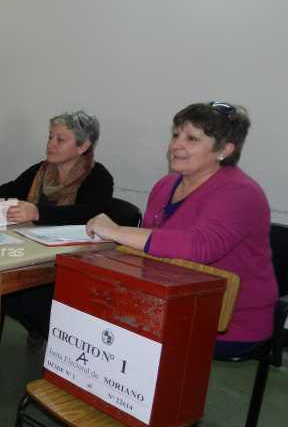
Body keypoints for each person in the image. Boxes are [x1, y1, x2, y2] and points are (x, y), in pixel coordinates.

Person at [87, 102, 277, 358]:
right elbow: (152, 253)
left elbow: (199, 246)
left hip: (228, 320)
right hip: (168, 302)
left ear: (224, 150)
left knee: (111, 335)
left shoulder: (241, 193)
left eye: (192, 139)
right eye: (176, 135)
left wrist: (117, 231)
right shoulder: (165, 185)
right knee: (86, 309)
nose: (176, 145)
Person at [0, 110, 113, 346]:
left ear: (83, 145)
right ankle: (39, 330)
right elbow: (11, 188)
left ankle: (60, 346)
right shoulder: (42, 170)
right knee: (4, 289)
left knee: (23, 296)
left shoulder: (99, 177)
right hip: (34, 254)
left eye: (60, 139)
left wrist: (38, 212)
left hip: (74, 263)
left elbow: (88, 214)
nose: (50, 144)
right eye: (50, 137)